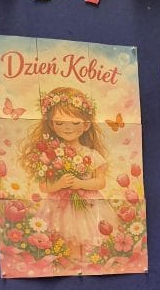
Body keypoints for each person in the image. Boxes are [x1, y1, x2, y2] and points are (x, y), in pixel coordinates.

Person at [19, 86, 118, 262]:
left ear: (86, 125)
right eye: (60, 123)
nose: (67, 128)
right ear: (51, 124)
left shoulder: (91, 154)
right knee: (64, 242)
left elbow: (100, 182)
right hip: (59, 206)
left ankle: (87, 265)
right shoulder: (50, 154)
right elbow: (44, 186)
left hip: (88, 206)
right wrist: (59, 184)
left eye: (75, 123)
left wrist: (80, 184)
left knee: (88, 241)